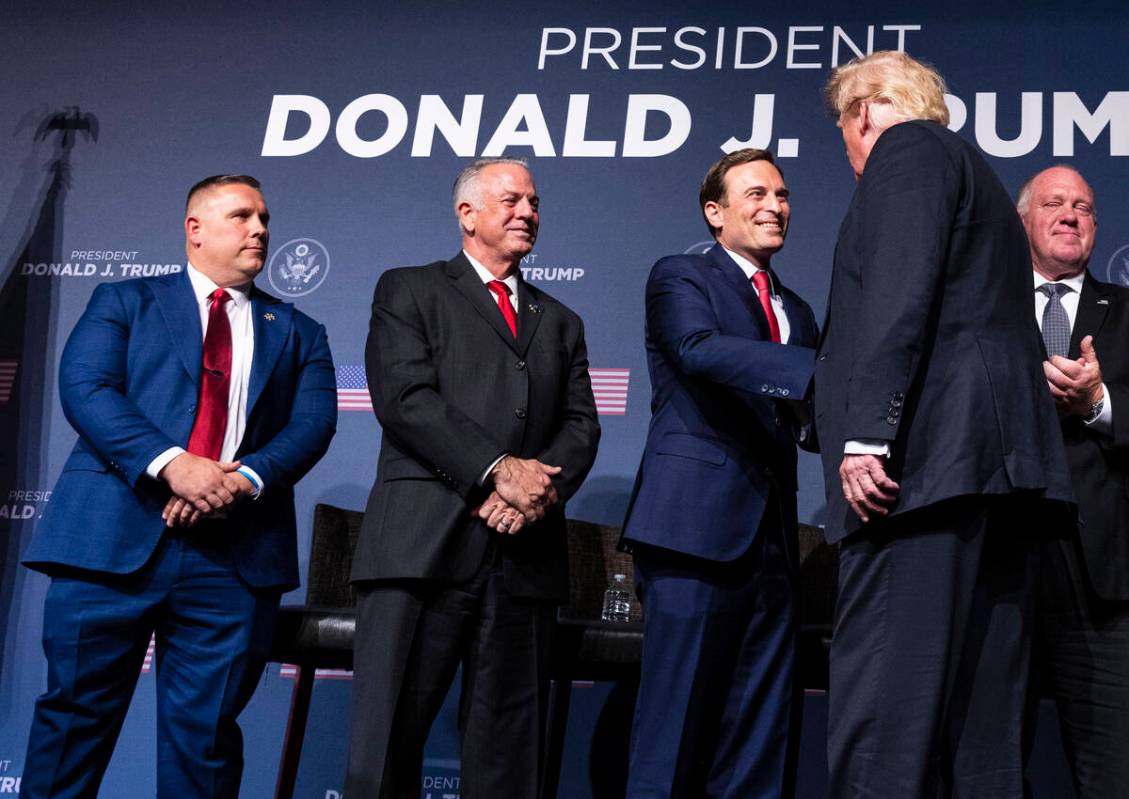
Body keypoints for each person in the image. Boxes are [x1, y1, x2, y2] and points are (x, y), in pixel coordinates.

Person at [20, 174, 338, 797]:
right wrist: (173, 464)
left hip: (233, 561)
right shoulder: (123, 300)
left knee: (207, 741)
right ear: (195, 230)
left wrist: (242, 479)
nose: (260, 230)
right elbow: (87, 389)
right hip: (108, 549)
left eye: (265, 218)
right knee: (71, 727)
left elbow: (314, 423)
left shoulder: (300, 329)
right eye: (242, 216)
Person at [814, 51, 1073, 798]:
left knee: (882, 720)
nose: (850, 149)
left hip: (918, 477)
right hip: (991, 478)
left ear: (862, 113)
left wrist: (867, 432)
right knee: (980, 725)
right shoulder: (977, 174)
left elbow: (900, 290)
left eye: (843, 130)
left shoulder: (908, 148)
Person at [346, 157, 600, 798]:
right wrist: (495, 473)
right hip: (422, 550)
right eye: (512, 200)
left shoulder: (561, 320)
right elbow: (406, 399)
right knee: (387, 747)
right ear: (467, 213)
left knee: (511, 758)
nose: (528, 213)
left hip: (523, 558)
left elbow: (581, 427)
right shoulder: (409, 288)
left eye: (535, 203)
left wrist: (532, 497)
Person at [620, 148, 818, 798]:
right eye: (756, 193)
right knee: (673, 732)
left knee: (760, 740)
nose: (774, 206)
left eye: (782, 194)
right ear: (714, 211)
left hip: (773, 546)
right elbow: (696, 351)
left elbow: (809, 420)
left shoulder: (798, 309)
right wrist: (821, 376)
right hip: (691, 534)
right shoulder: (681, 276)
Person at [1019, 165, 1129, 798]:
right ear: (1024, 221)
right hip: (999, 570)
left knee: (1111, 772)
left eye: (1083, 207)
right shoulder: (983, 309)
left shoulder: (1126, 310)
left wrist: (1097, 402)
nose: (1070, 215)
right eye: (1055, 204)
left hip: (1103, 581)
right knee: (988, 767)